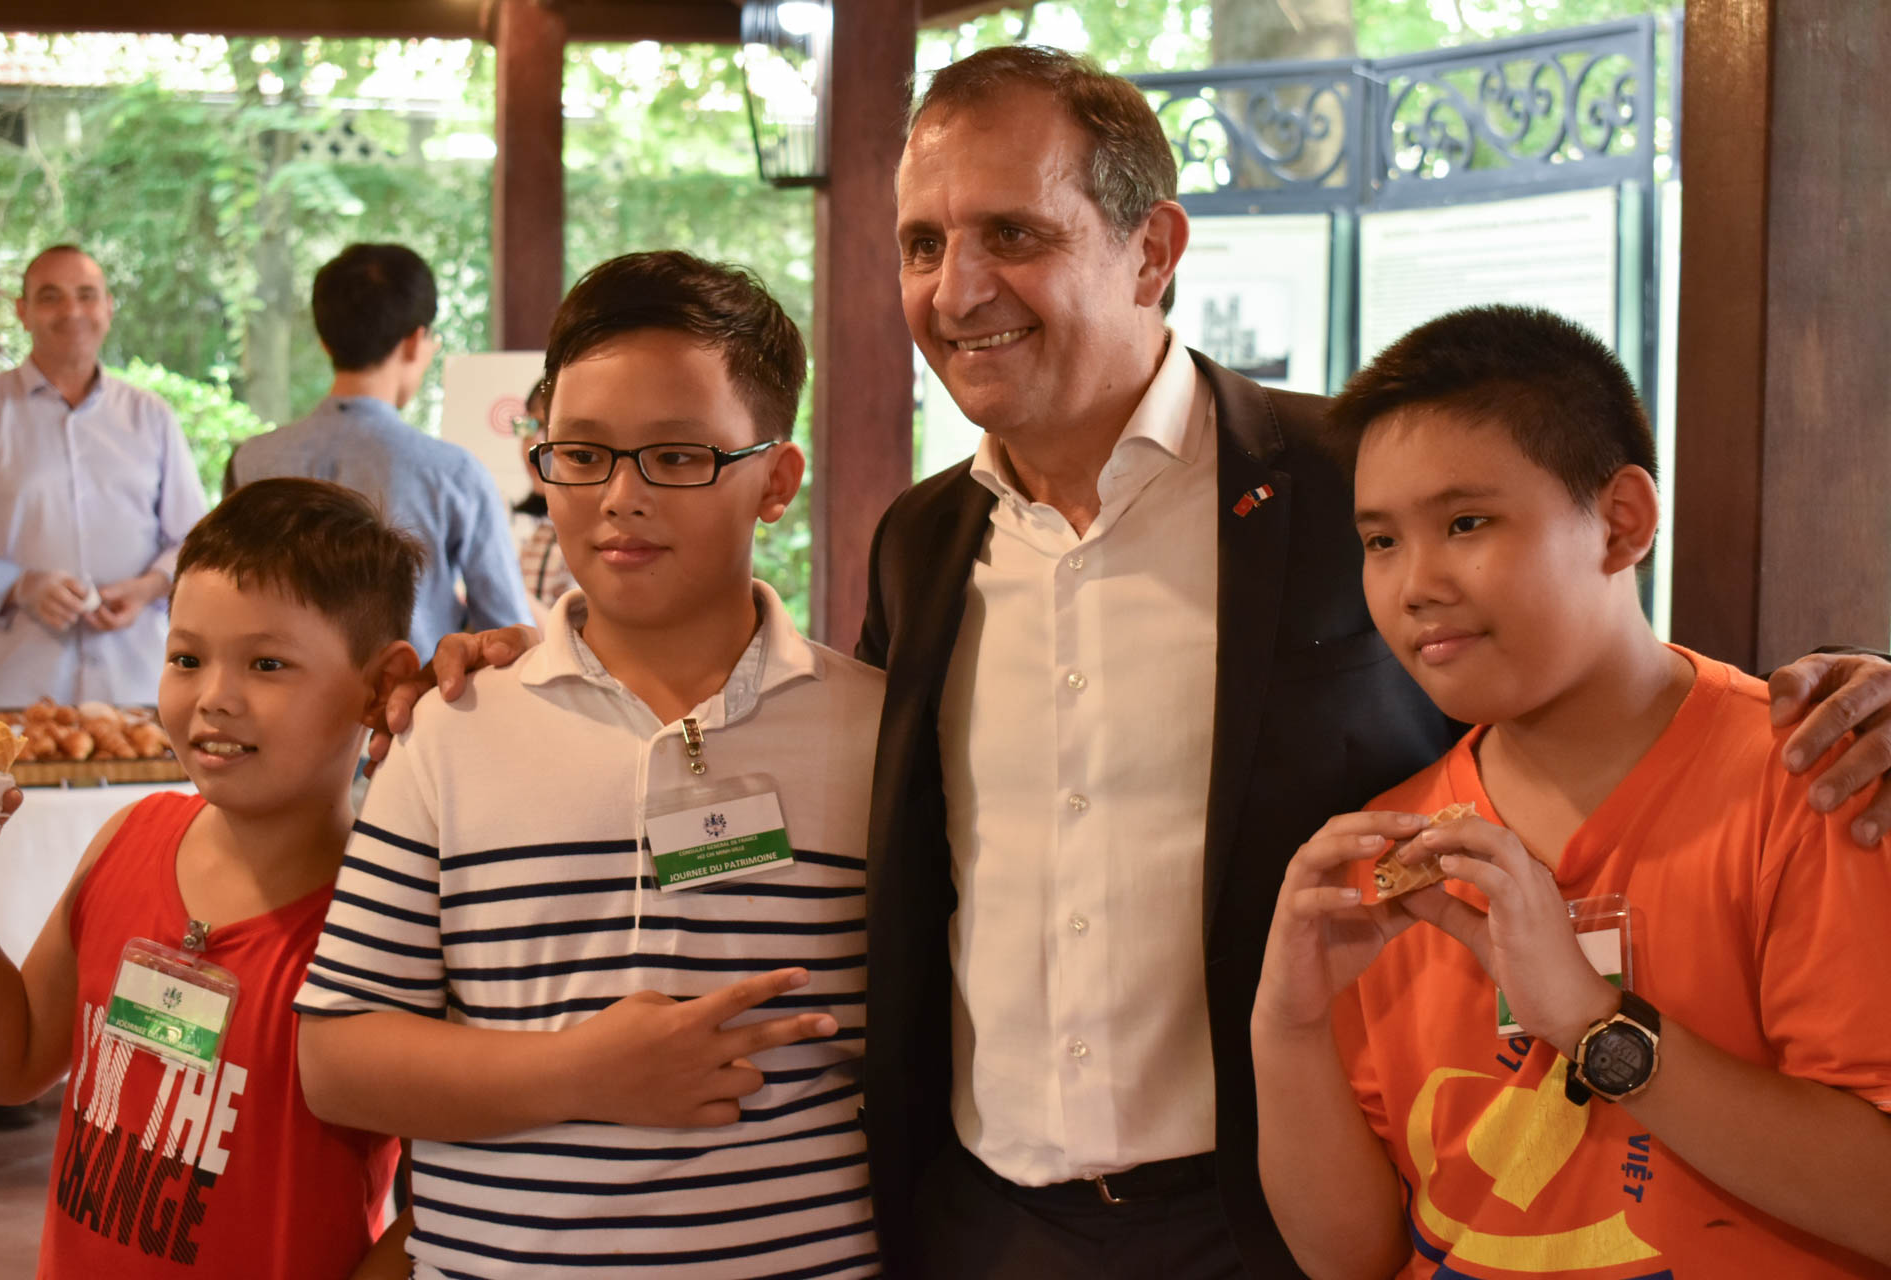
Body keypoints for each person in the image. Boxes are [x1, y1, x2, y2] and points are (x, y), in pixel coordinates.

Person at [387, 44, 1891, 1278]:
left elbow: (1569, 629)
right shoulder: (920, 540)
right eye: (923, 243)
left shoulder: (1344, 476)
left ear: (1152, 247)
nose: (956, 287)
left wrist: (1835, 694)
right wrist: (550, 660)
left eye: (1015, 235)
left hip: (1283, 1207)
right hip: (976, 1214)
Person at [1253, 304, 1891, 1278]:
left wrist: (1594, 1022)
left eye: (1467, 521)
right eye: (1380, 540)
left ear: (1622, 521)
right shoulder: (1395, 851)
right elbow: (1353, 1254)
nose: (1414, 582)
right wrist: (1286, 1025)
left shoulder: (1819, 778)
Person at [295, 251, 883, 1280]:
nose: (621, 496)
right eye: (584, 453)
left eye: (679, 455)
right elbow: (338, 1060)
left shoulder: (875, 734)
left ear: (778, 480)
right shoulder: (453, 727)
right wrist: (588, 1071)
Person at [0, 476, 420, 1277]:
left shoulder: (387, 918)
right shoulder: (127, 839)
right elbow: (12, 1065)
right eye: (186, 657)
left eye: (268, 663)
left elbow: (443, 1204)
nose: (215, 698)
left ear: (380, 688)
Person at [227, 242, 532, 658]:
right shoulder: (454, 472)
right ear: (414, 341)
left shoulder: (251, 462)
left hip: (278, 711)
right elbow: (508, 630)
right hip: (413, 712)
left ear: (326, 343)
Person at [0, 244, 206, 707]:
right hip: (13, 690)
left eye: (86, 294)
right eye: (51, 296)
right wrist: (18, 585)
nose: (71, 311)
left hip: (139, 688)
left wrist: (148, 588)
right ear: (23, 311)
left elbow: (196, 540)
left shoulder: (150, 416)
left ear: (108, 307)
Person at [510, 377, 578, 613]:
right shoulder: (539, 531)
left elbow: (574, 639)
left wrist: (497, 581)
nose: (533, 442)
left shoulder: (589, 531)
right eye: (528, 425)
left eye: (546, 427)